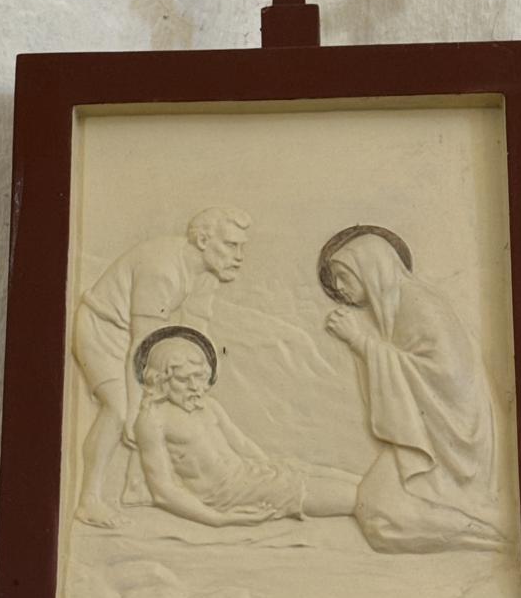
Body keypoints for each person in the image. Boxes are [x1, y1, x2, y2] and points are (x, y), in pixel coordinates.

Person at [319, 226, 507, 553]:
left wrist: (361, 342)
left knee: (380, 511)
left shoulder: (420, 305)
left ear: (370, 268)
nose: (339, 287)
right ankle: (480, 530)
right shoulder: (393, 310)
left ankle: (486, 529)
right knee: (376, 511)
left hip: (452, 445)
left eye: (344, 277)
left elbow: (449, 379)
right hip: (430, 436)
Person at [73, 206, 251, 528]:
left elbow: (194, 335)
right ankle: (89, 500)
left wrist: (198, 384)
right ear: (202, 241)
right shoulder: (162, 270)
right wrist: (136, 409)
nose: (239, 256)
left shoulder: (206, 274)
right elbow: (144, 346)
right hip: (103, 330)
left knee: (167, 399)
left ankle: (137, 487)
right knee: (119, 410)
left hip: (137, 339)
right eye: (230, 245)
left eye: (242, 247)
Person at [133, 327, 360, 526]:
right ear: (161, 380)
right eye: (183, 380)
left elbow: (241, 443)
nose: (194, 386)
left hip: (248, 475)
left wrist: (270, 467)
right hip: (226, 495)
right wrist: (218, 519)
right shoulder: (154, 420)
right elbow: (163, 491)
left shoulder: (208, 406)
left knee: (323, 474)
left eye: (198, 377)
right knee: (354, 497)